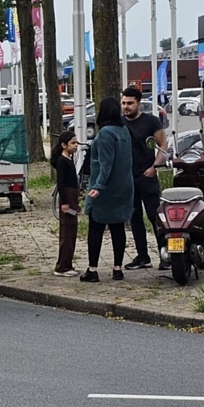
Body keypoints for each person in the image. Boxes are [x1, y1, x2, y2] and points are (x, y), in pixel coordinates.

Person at [81, 97, 134, 283]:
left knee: (96, 227)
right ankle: (118, 269)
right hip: (124, 186)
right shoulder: (124, 130)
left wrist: (98, 186)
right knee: (118, 227)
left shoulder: (105, 133)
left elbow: (106, 163)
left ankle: (92, 270)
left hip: (105, 189)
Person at [121, 86, 168, 270]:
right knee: (134, 218)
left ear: (138, 103)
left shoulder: (151, 122)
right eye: (123, 103)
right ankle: (142, 256)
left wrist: (155, 167)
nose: (126, 107)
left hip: (147, 176)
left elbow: (163, 145)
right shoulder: (119, 123)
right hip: (128, 178)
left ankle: (165, 255)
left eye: (130, 103)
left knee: (155, 216)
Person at [51, 130, 80, 277]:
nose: (76, 145)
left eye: (76, 143)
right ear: (64, 145)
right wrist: (65, 202)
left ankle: (67, 264)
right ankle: (62, 266)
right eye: (73, 143)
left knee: (72, 230)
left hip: (72, 197)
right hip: (67, 198)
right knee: (67, 232)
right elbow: (61, 183)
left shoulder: (69, 159)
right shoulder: (62, 161)